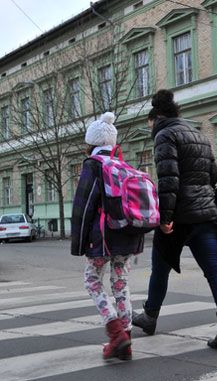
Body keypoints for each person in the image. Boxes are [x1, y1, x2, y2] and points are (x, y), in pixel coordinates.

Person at [132, 90, 217, 349]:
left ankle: (150, 317)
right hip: (206, 213)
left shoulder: (164, 134)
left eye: (150, 124)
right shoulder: (199, 134)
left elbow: (169, 179)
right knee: (214, 272)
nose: (150, 129)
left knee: (160, 268)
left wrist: (165, 217)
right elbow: (212, 175)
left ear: (157, 117)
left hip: (180, 216)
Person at [70, 112, 144, 360]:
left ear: (91, 143)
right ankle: (127, 342)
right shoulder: (123, 164)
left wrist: (79, 244)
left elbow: (83, 205)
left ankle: (115, 333)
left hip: (102, 237)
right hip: (127, 234)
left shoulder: (93, 165)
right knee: (121, 285)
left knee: (92, 280)